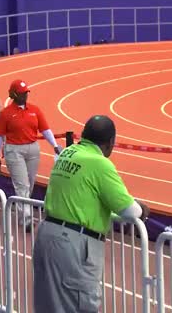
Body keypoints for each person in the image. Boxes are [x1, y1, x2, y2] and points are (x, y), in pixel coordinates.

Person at [32, 115, 150, 313]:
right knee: (79, 303)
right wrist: (140, 208)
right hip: (74, 245)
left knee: (49, 305)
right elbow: (131, 211)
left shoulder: (68, 153)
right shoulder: (99, 163)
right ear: (111, 142)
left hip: (48, 234)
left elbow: (81, 199)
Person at [0, 80, 62, 231]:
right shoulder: (5, 113)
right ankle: (27, 219)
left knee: (29, 184)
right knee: (22, 185)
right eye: (23, 93)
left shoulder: (35, 110)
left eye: (26, 93)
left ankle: (22, 212)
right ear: (14, 94)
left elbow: (45, 129)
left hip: (32, 149)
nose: (25, 96)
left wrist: (55, 146)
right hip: (14, 150)